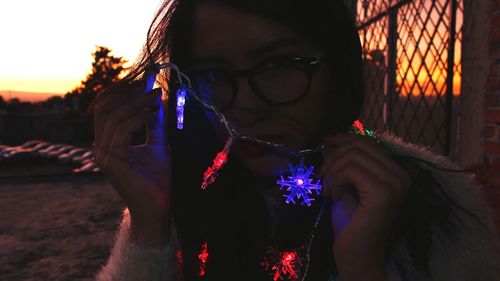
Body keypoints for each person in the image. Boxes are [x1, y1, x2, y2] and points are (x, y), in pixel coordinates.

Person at [89, 0, 500, 280]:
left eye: (279, 64)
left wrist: (364, 269)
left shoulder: (442, 210)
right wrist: (147, 224)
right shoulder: (187, 198)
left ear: (337, 68)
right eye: (213, 73)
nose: (245, 107)